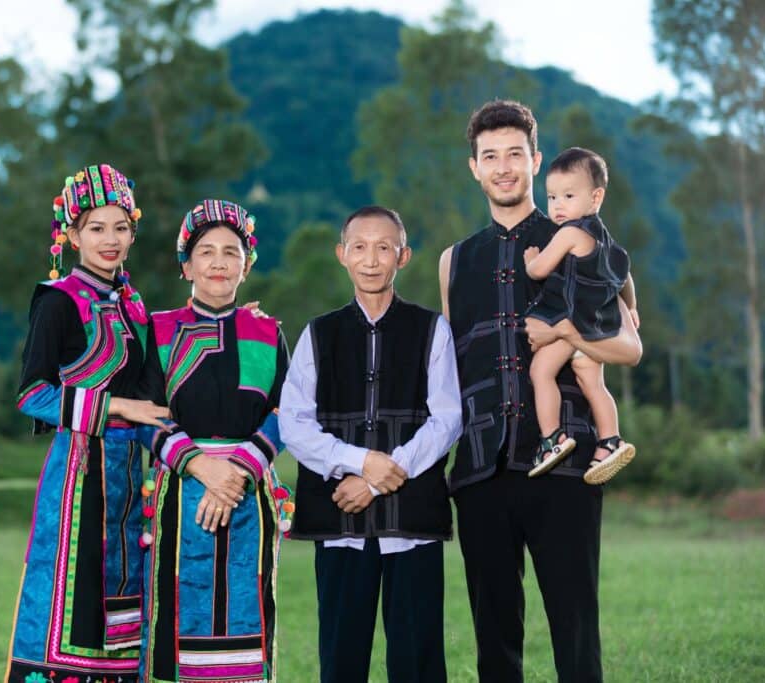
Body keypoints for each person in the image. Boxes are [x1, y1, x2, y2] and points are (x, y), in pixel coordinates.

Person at [438, 100, 642, 683]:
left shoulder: (580, 240)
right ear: (473, 167)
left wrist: (568, 330)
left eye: (515, 154)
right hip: (480, 472)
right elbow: (453, 368)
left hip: (565, 466)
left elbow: (630, 349)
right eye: (490, 156)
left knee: (576, 633)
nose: (503, 167)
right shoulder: (454, 261)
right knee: (494, 640)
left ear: (536, 159)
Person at [279, 206, 463, 683]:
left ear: (403, 257)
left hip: (413, 521)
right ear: (342, 255)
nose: (371, 258)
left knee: (418, 657)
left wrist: (381, 479)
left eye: (384, 247)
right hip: (339, 518)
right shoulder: (318, 333)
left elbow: (447, 420)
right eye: (359, 246)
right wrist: (357, 463)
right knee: (341, 656)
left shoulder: (431, 329)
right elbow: (295, 425)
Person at [5, 164, 168, 683]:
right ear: (72, 235)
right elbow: (33, 394)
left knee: (124, 599)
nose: (110, 239)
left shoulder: (136, 308)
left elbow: (153, 399)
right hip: (76, 477)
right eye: (96, 228)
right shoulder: (56, 302)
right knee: (71, 595)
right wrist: (115, 408)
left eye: (121, 227)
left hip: (129, 479)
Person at [137, 199, 289, 683]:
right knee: (177, 610)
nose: (219, 262)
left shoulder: (268, 333)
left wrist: (239, 470)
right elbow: (147, 415)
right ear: (186, 265)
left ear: (247, 265)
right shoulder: (157, 331)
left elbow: (288, 413)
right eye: (206, 252)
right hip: (181, 491)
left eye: (231, 251)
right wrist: (203, 468)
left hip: (250, 492)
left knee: (249, 606)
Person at [524, 146, 639, 483]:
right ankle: (610, 441)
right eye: (552, 197)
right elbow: (625, 276)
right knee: (593, 383)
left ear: (596, 198)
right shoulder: (608, 243)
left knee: (540, 371)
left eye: (568, 196)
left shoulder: (569, 233)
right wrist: (631, 308)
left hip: (571, 323)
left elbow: (539, 270)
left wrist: (532, 258)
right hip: (599, 329)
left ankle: (552, 439)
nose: (558, 206)